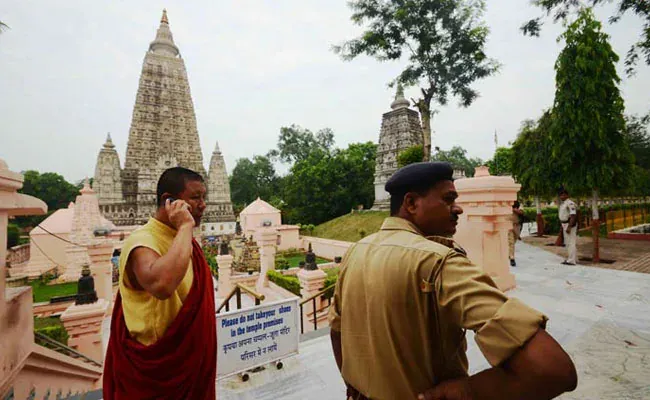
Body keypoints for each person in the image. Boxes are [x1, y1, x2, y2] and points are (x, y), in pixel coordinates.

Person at [329, 162, 577, 400]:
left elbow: (336, 330)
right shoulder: (438, 261)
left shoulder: (356, 252)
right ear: (412, 203)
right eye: (448, 199)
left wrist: (352, 384)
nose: (458, 208)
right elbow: (552, 369)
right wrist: (471, 391)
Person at [103, 167, 216, 400]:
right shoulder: (142, 241)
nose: (203, 205)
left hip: (191, 366)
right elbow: (162, 286)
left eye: (204, 197)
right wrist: (185, 226)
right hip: (156, 374)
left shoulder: (183, 242)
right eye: (195, 197)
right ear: (169, 201)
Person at [558, 188, 578, 265]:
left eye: (563, 194)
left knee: (571, 242)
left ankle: (571, 260)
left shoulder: (570, 203)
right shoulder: (563, 204)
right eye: (560, 195)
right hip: (564, 224)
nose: (562, 196)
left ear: (567, 195)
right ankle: (572, 258)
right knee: (567, 242)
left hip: (569, 225)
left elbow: (573, 215)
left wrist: (569, 227)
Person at [508, 201, 525, 266]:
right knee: (511, 242)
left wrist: (514, 209)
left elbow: (521, 212)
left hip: (517, 226)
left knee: (513, 241)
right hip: (508, 226)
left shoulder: (519, 204)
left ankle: (509, 254)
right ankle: (512, 258)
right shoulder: (506, 203)